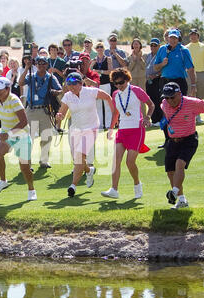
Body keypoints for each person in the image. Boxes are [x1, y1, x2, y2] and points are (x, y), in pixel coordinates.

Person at [161, 82, 204, 209]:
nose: (170, 100)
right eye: (167, 97)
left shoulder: (191, 103)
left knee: (179, 164)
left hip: (189, 140)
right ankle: (181, 200)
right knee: (170, 171)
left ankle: (174, 192)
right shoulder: (164, 104)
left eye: (172, 97)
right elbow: (164, 110)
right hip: (172, 141)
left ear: (179, 94)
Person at [56, 72, 115, 198]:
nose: (71, 87)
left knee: (79, 156)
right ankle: (89, 170)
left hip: (91, 128)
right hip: (75, 130)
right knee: (78, 159)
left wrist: (115, 116)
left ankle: (73, 186)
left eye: (74, 85)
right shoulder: (67, 96)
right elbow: (62, 113)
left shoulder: (91, 91)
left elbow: (108, 98)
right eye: (69, 85)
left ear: (80, 83)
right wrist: (59, 117)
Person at [101, 68, 154, 199]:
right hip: (122, 130)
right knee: (116, 161)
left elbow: (151, 105)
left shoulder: (136, 90)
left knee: (130, 162)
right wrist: (111, 129)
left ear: (127, 79)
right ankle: (114, 189)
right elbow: (116, 113)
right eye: (116, 83)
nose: (119, 86)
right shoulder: (115, 94)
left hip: (136, 129)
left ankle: (137, 184)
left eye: (121, 82)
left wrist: (147, 117)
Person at [0, 77, 37, 201]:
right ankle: (3, 181)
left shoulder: (14, 100)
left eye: (0, 90)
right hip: (7, 133)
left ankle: (31, 189)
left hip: (21, 134)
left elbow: (24, 122)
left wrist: (9, 134)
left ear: (8, 89)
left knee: (25, 167)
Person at [154, 29, 196, 149]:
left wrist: (193, 85)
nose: (172, 40)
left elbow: (190, 69)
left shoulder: (183, 51)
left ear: (178, 39)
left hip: (179, 82)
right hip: (165, 81)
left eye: (175, 38)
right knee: (165, 110)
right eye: (171, 38)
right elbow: (155, 67)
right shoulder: (162, 49)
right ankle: (168, 139)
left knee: (181, 109)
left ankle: (183, 137)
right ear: (167, 38)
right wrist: (162, 64)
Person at [19, 56, 62, 168]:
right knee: (29, 137)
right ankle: (27, 162)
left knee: (46, 136)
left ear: (47, 65)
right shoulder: (31, 76)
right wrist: (26, 68)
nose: (41, 66)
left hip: (45, 110)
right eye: (39, 63)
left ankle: (44, 160)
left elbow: (60, 90)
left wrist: (54, 92)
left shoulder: (50, 77)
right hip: (32, 109)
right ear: (36, 65)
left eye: (44, 64)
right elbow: (20, 82)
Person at [186, 29, 204, 124]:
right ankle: (192, 116)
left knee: (200, 96)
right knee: (191, 95)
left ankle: (198, 115)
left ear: (198, 36)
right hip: (189, 73)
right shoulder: (186, 47)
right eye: (191, 35)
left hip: (201, 73)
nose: (193, 36)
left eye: (195, 35)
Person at [91, 42, 113, 130]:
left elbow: (110, 71)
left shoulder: (108, 59)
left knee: (107, 104)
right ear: (96, 49)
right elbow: (90, 70)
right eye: (98, 47)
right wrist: (93, 65)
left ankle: (108, 124)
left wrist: (100, 71)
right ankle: (100, 125)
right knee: (98, 105)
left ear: (104, 49)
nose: (99, 49)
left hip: (106, 83)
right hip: (97, 85)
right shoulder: (94, 60)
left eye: (101, 47)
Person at [144, 38, 163, 126]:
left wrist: (155, 75)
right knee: (150, 99)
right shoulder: (148, 55)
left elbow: (163, 69)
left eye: (155, 45)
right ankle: (154, 120)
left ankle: (159, 119)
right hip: (149, 80)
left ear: (159, 46)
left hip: (157, 79)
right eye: (151, 45)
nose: (153, 47)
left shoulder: (160, 55)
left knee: (158, 99)